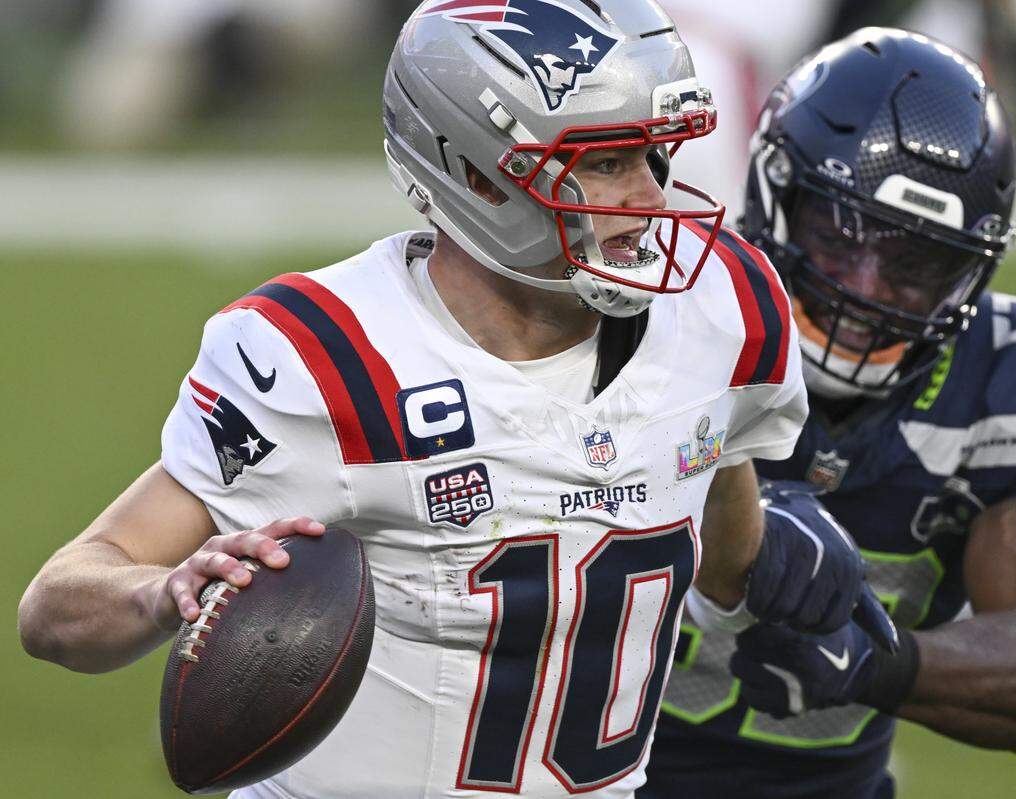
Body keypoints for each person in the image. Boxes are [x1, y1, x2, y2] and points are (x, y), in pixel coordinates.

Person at [18, 3, 894, 797]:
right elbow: (57, 605)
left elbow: (718, 515)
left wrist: (781, 557)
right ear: (477, 176)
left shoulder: (723, 307)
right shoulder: (327, 357)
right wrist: (162, 592)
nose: (649, 201)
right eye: (606, 164)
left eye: (653, 156)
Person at [642, 28, 1016, 799]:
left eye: (916, 265)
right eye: (839, 239)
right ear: (773, 195)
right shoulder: (650, 321)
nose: (865, 293)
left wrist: (875, 663)